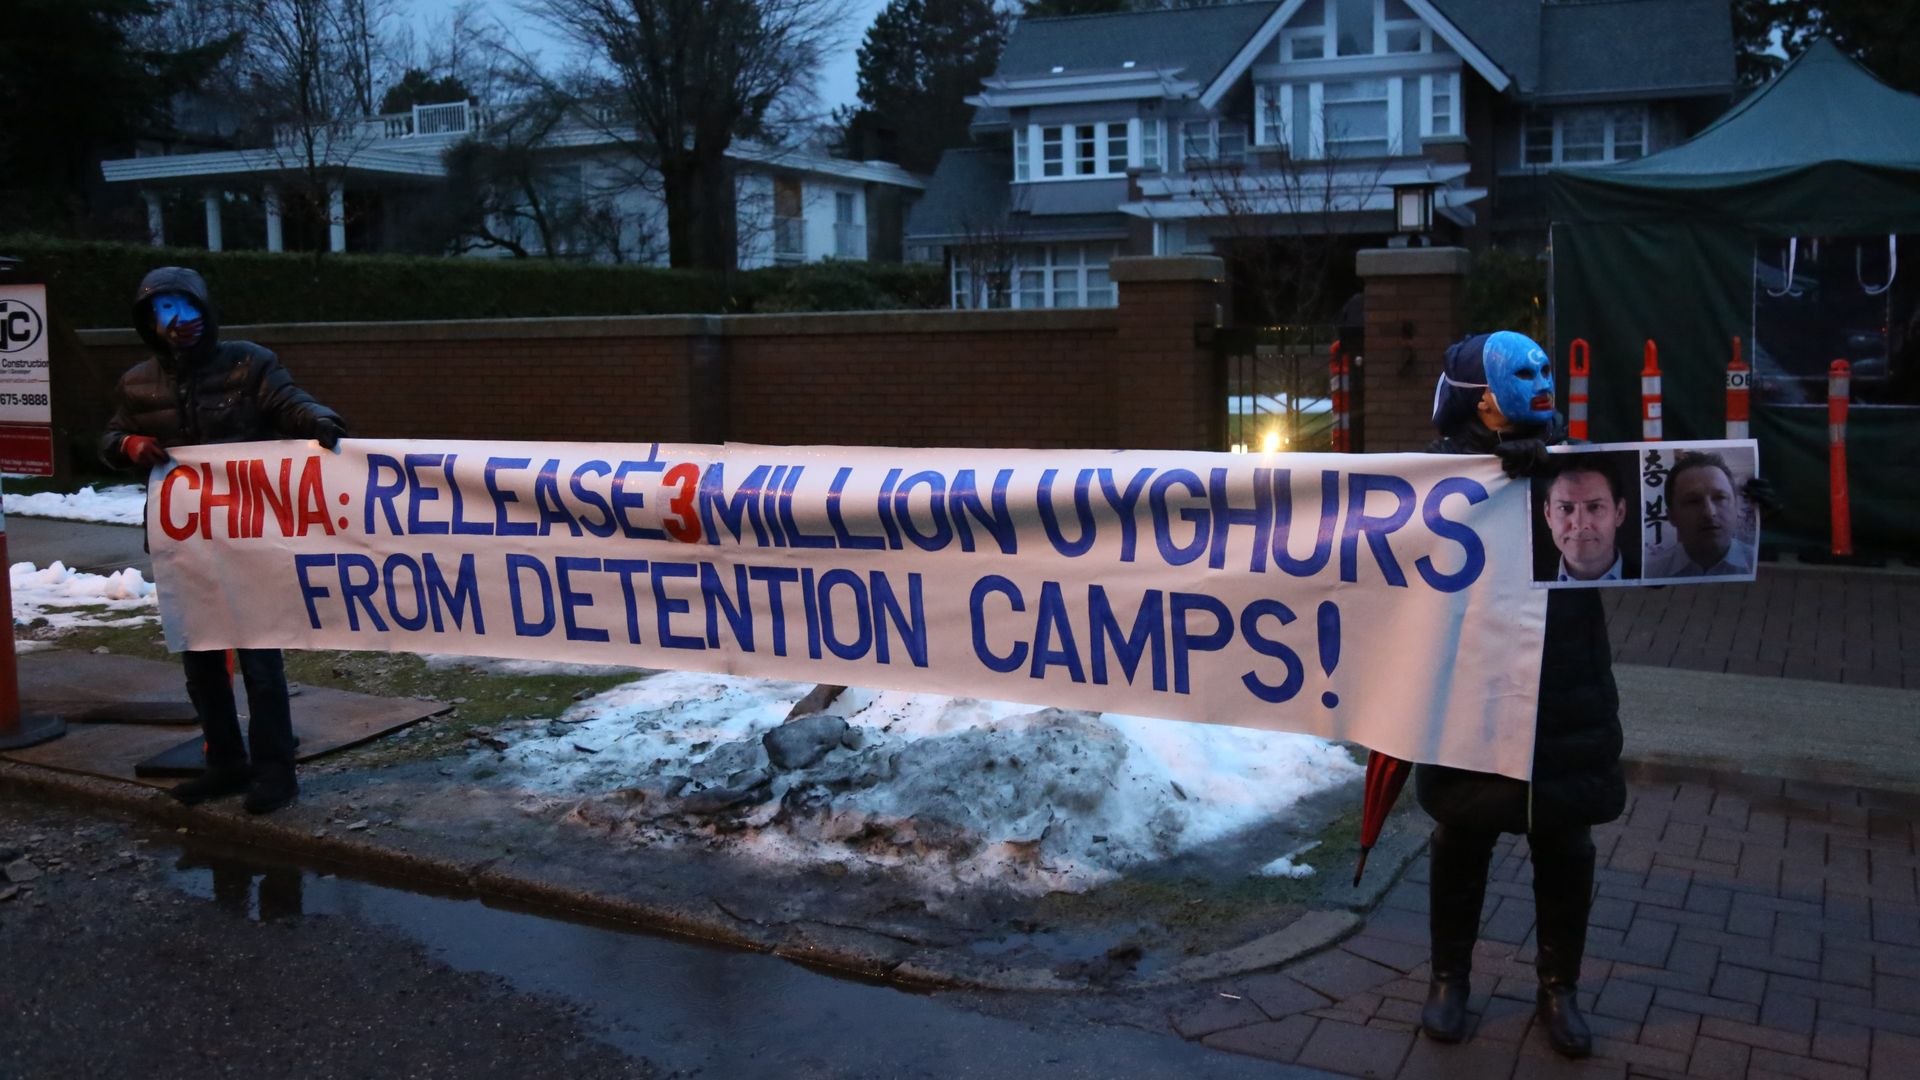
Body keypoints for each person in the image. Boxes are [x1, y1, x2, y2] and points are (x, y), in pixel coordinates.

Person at [1420, 330, 1624, 1059]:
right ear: (1479, 399)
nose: (1539, 387)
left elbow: (1650, 555)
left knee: (1564, 841)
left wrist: (1750, 519)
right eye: (1517, 378)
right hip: (1470, 682)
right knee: (1461, 832)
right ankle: (1449, 978)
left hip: (1565, 685)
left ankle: (1558, 987)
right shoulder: (1432, 477)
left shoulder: (1579, 467)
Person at [102, 266, 347, 815]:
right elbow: (110, 437)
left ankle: (274, 773)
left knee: (261, 663)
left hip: (250, 539)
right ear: (148, 321)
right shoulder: (137, 383)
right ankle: (225, 763)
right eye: (163, 311)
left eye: (185, 307)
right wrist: (130, 446)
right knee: (202, 663)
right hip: (184, 548)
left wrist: (320, 421)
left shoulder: (249, 364)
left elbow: (291, 403)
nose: (178, 322)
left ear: (204, 310)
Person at [1645, 452, 1754, 578]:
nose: (1709, 513)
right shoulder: (1652, 572)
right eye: (1693, 501)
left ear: (1737, 507)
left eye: (1720, 498)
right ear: (1672, 517)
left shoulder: (1757, 564)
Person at [1543, 459, 1633, 583]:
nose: (1579, 525)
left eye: (1595, 507)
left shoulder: (1654, 579)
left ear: (1619, 513)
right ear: (1548, 515)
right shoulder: (1526, 588)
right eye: (1565, 508)